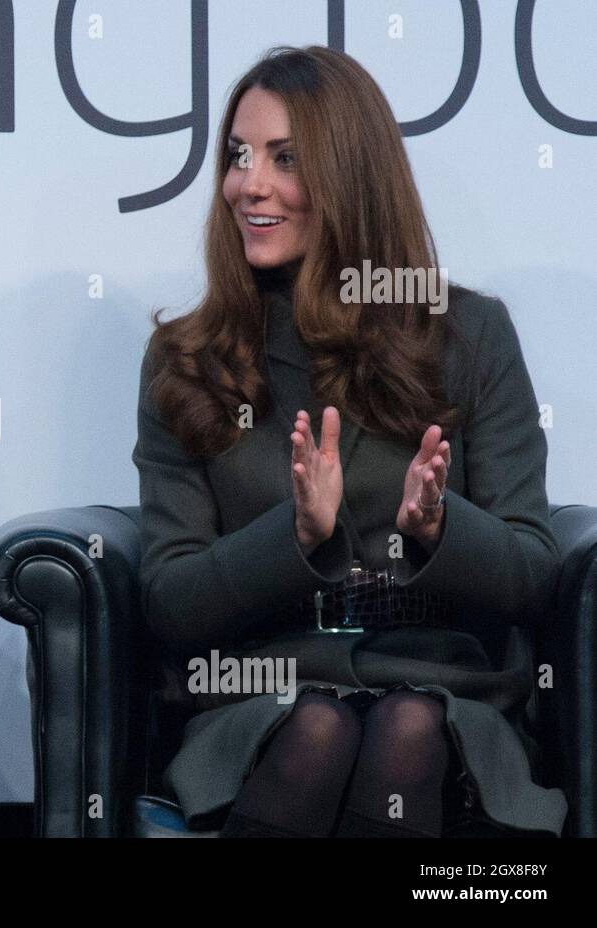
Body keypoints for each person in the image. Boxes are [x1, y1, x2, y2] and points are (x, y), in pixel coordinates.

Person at [133, 46, 565, 837]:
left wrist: (440, 530)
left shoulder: (467, 335)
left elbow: (534, 572)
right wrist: (294, 535)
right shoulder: (190, 360)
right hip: (261, 695)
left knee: (405, 728)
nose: (247, 184)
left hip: (443, 692)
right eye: (237, 156)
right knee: (321, 729)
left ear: (350, 175)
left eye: (283, 158)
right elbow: (171, 602)